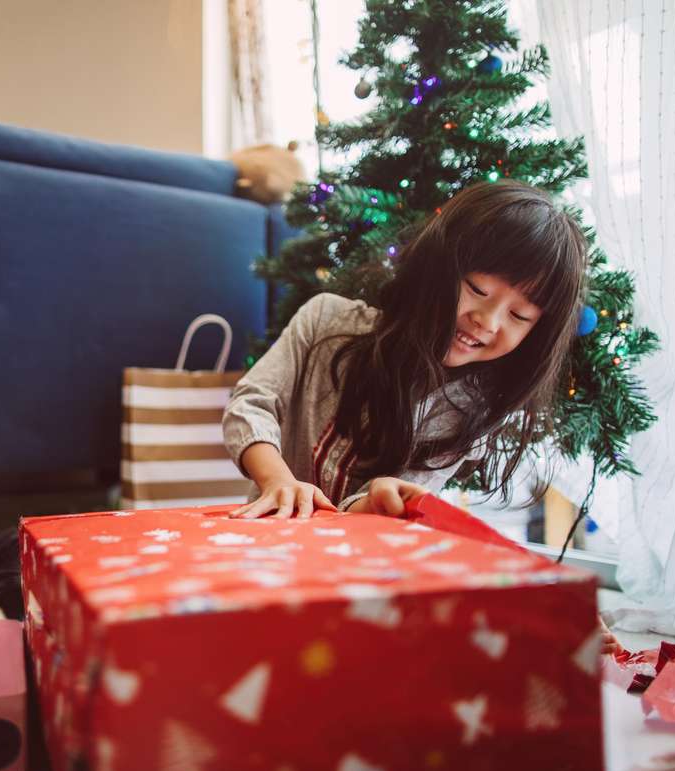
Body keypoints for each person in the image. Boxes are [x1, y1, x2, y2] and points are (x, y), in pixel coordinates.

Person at [223, 180, 586, 521]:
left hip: (362, 564)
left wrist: (377, 500)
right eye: (477, 289)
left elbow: (363, 514)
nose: (487, 322)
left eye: (519, 315)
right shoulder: (325, 319)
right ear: (436, 268)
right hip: (269, 542)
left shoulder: (473, 412)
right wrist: (277, 480)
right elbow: (251, 402)